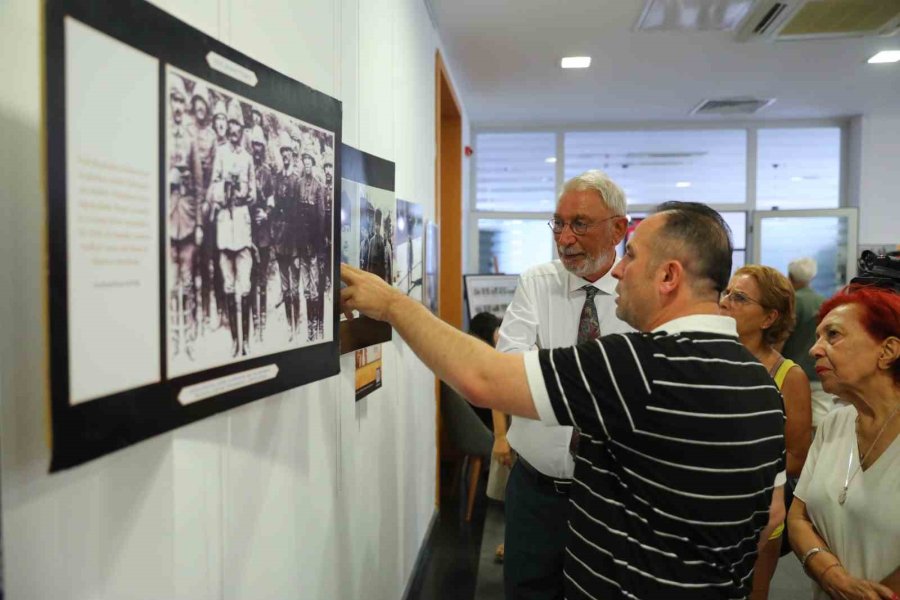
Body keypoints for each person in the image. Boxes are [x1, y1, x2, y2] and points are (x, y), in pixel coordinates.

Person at [341, 201, 786, 599]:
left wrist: (394, 306)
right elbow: (770, 515)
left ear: (668, 276)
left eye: (630, 255)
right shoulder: (762, 386)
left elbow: (483, 378)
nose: (618, 270)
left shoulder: (640, 366)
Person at [496, 170, 630, 600]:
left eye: (580, 224)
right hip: (537, 490)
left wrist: (543, 368)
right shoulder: (537, 282)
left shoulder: (641, 294)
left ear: (618, 228)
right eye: (558, 223)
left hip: (616, 496)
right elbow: (507, 367)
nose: (564, 238)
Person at [788, 285, 900, 600]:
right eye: (818, 337)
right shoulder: (833, 424)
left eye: (833, 335)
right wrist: (831, 575)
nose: (815, 349)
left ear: (887, 351)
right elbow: (798, 516)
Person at [719, 265, 812, 600]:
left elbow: (797, 456)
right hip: (706, 511)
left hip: (759, 514)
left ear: (769, 318)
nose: (726, 302)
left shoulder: (789, 376)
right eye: (727, 293)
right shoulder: (708, 361)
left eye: (740, 297)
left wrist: (732, 476)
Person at [210, 100, 255, 357]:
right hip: (225, 229)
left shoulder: (247, 158)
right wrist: (223, 188)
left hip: (242, 226)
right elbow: (214, 185)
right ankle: (234, 341)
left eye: (238, 124)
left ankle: (246, 341)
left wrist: (242, 191)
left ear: (242, 128)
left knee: (245, 286)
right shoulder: (221, 153)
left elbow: (254, 193)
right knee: (228, 285)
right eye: (232, 124)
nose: (234, 129)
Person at [782, 257, 836, 433]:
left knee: (794, 425)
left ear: (789, 276)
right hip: (818, 373)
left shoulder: (791, 302)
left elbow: (780, 338)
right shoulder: (824, 302)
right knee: (821, 424)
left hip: (792, 372)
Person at [168, 76, 200, 359]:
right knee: (171, 282)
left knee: (187, 281)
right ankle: (174, 340)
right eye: (173, 99)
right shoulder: (160, 137)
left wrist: (199, 223)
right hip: (167, 220)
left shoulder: (190, 141)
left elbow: (199, 185)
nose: (177, 106)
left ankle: (188, 339)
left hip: (188, 219)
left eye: (180, 100)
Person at [271, 130, 302, 341]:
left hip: (294, 240)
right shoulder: (278, 179)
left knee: (295, 287)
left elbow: (301, 217)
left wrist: (300, 249)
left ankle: (296, 325)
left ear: (293, 154)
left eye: (288, 151)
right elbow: (274, 211)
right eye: (283, 152)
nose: (285, 155)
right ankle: (290, 325)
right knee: (285, 287)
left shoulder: (297, 180)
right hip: (280, 239)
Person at [298, 139, 326, 341]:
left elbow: (321, 217)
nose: (306, 164)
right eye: (304, 160)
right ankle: (309, 327)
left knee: (315, 289)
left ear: (313, 164)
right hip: (301, 244)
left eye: (309, 161)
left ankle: (317, 325)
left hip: (314, 245)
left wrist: (317, 244)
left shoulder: (319, 187)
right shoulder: (298, 184)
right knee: (306, 288)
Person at [249, 124, 274, 343]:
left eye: (259, 144)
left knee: (263, 277)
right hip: (248, 232)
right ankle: (254, 318)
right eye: (254, 144)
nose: (257, 148)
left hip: (264, 233)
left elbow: (273, 201)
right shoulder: (247, 167)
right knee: (250, 277)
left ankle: (263, 318)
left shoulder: (267, 172)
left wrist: (266, 214)